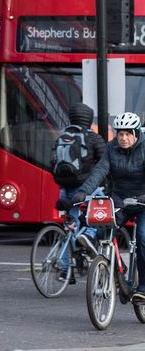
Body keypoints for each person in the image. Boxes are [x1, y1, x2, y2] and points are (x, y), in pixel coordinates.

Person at [72, 112, 145, 302]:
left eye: (128, 134)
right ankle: (116, 270)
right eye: (120, 134)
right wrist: (83, 192)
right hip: (120, 199)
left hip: (143, 200)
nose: (123, 138)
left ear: (136, 134)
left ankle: (143, 287)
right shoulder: (112, 148)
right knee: (102, 230)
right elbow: (99, 171)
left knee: (143, 237)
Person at [53, 103, 106, 280]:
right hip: (84, 188)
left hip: (64, 188)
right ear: (89, 119)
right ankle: (87, 236)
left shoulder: (62, 136)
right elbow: (105, 162)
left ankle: (64, 270)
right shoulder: (93, 138)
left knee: (69, 226)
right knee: (98, 213)